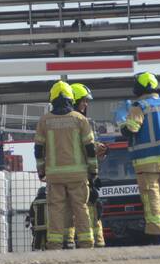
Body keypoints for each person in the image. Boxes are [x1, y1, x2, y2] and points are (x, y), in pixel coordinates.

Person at [34, 81, 98, 250]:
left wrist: (41, 171)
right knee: (81, 208)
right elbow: (90, 149)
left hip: (54, 176)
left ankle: (54, 244)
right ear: (71, 98)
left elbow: (38, 150)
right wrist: (93, 171)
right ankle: (86, 242)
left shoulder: (44, 121)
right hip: (78, 175)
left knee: (55, 210)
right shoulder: (80, 120)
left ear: (52, 99)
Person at [122, 72, 160, 245]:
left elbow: (131, 129)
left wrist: (123, 124)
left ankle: (157, 237)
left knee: (152, 198)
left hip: (147, 162)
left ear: (138, 88)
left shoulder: (140, 106)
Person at [71, 83, 107, 247]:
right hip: (81, 175)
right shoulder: (76, 122)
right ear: (74, 101)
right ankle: (91, 244)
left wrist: (100, 149)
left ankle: (95, 243)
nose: (86, 104)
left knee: (93, 210)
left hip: (84, 174)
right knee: (86, 211)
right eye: (83, 101)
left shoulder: (82, 121)